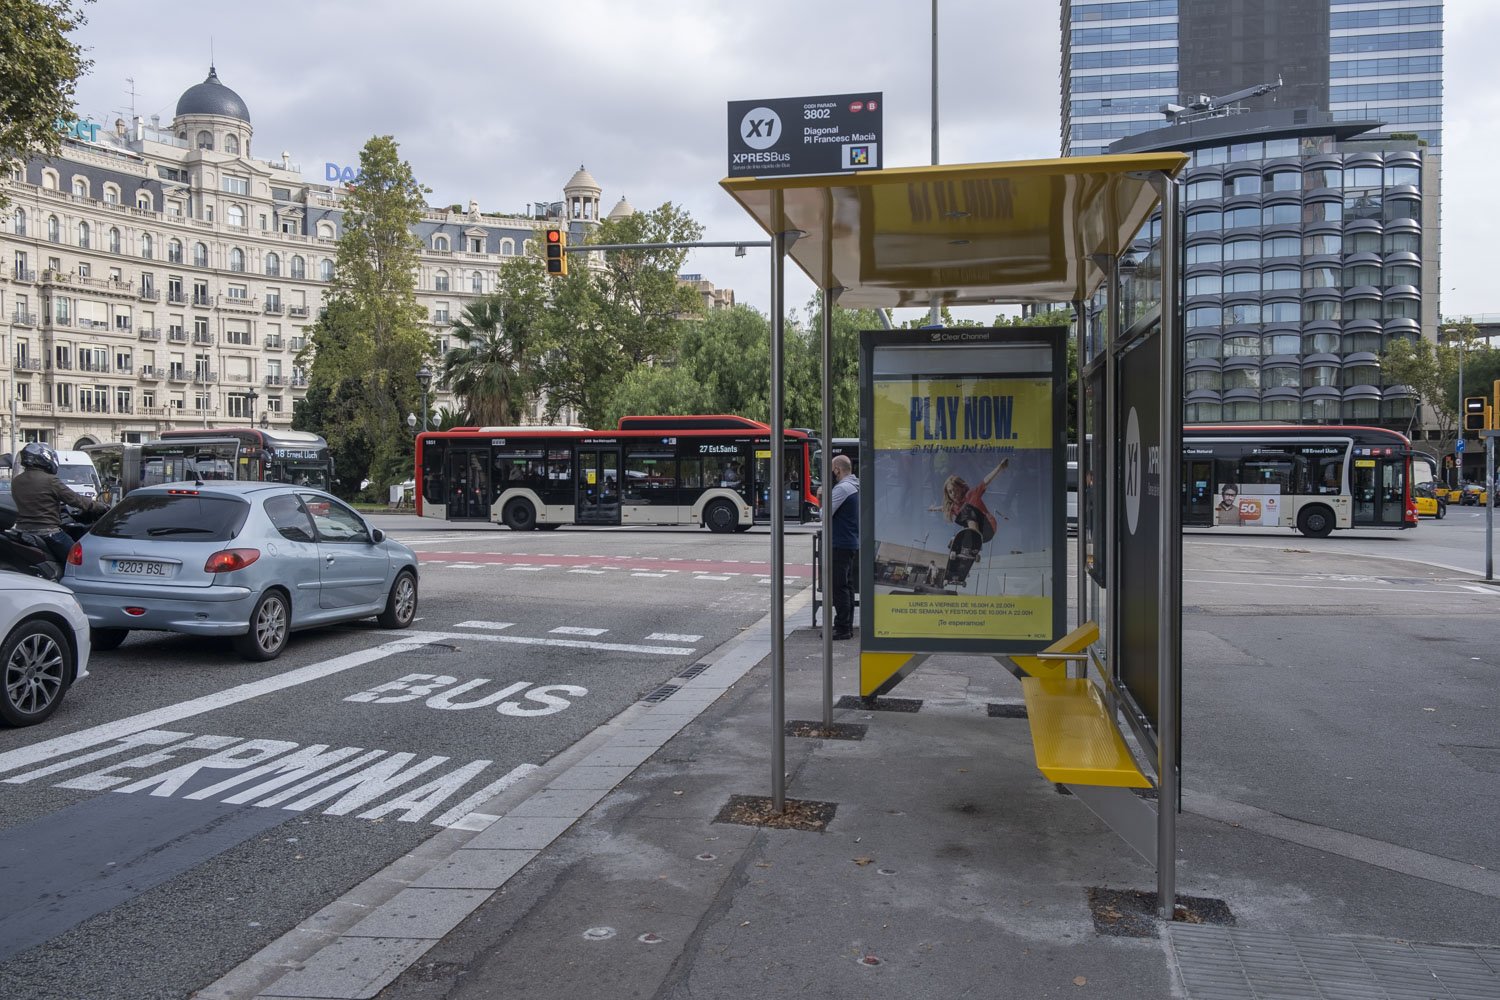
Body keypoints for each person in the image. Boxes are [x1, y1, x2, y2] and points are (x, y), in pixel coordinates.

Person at [11, 442, 107, 563]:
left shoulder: (17, 480)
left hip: (21, 531)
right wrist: (99, 506)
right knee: (78, 560)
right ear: (45, 458)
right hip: (48, 532)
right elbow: (75, 499)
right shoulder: (50, 480)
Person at [929, 457, 1009, 587]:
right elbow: (944, 508)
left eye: (955, 489)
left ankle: (971, 537)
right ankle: (964, 551)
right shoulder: (954, 506)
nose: (953, 493)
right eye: (950, 492)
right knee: (956, 513)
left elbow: (986, 481)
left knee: (966, 508)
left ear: (961, 488)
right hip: (982, 536)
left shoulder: (972, 494)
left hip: (988, 526)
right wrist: (933, 509)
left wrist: (1000, 467)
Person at [825, 454, 859, 639]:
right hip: (850, 541)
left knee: (839, 587)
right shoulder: (856, 486)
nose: (831, 473)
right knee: (847, 586)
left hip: (840, 542)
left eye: (832, 469)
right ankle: (847, 625)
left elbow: (824, 514)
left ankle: (842, 628)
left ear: (837, 469)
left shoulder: (842, 489)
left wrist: (822, 495)